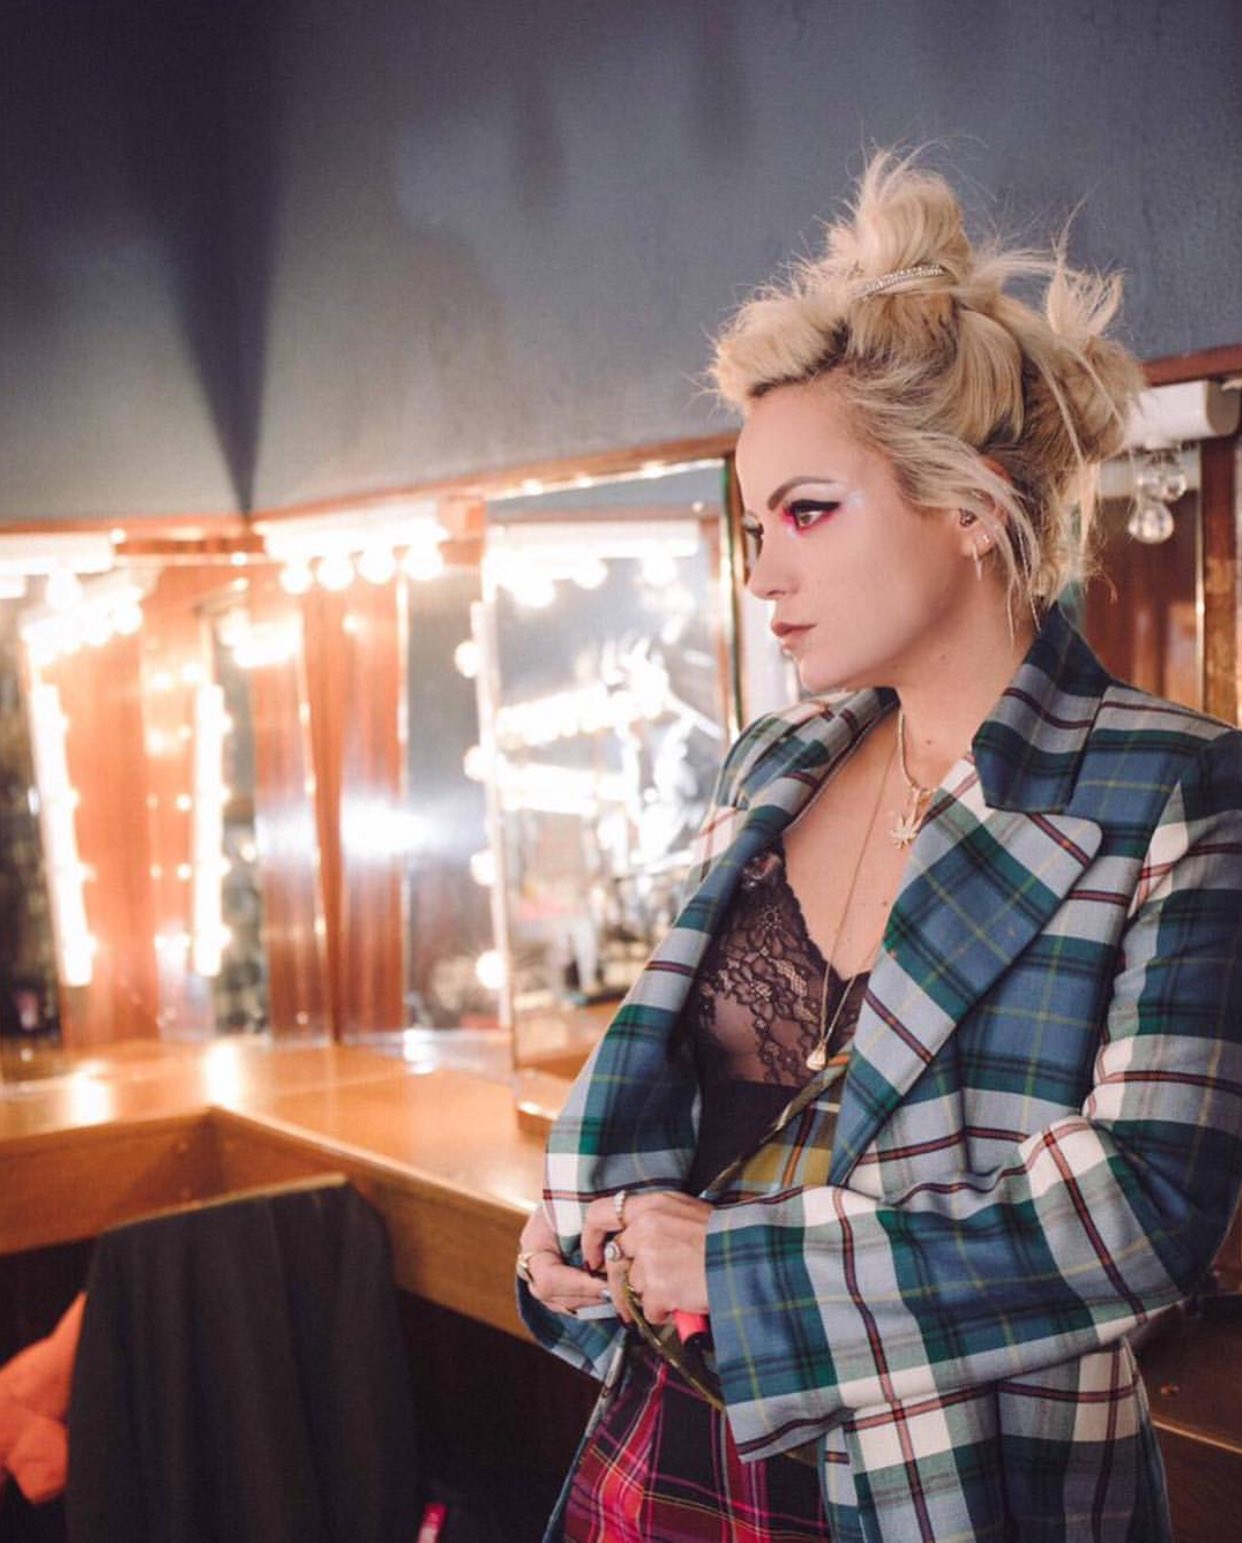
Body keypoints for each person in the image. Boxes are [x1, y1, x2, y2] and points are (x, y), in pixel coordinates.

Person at [515, 148, 1242, 1542]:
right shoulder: (772, 765)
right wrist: (580, 1229)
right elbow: (680, 1107)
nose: (763, 574)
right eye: (753, 525)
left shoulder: (1172, 788)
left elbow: (1145, 1215)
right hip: (662, 1453)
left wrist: (742, 1271)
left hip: (949, 1491)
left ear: (969, 503)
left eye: (807, 512)